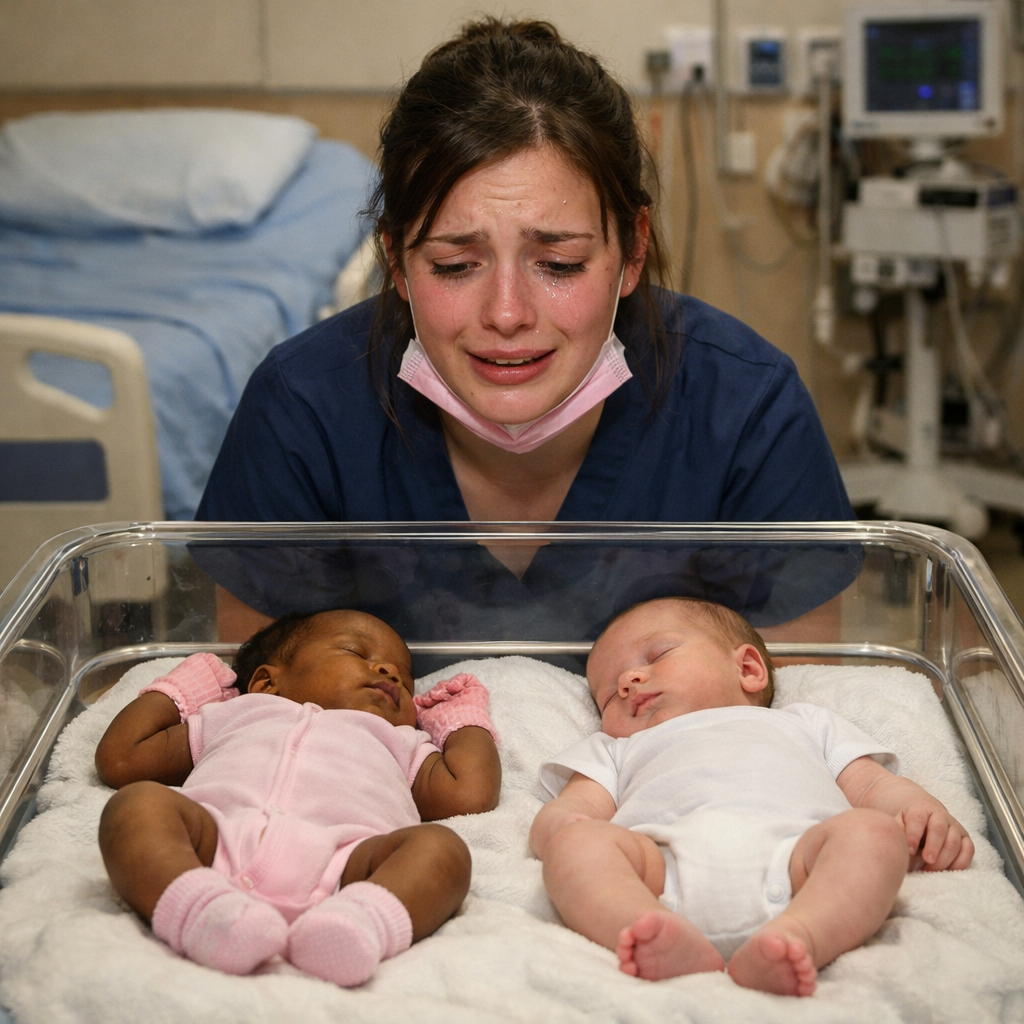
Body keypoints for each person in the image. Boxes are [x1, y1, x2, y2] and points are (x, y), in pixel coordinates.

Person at [193, 17, 855, 646]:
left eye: (558, 264)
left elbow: (799, 715)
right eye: (454, 266)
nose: (507, 314)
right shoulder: (304, 410)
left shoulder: (745, 410)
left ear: (631, 252)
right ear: (396, 260)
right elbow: (261, 712)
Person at [530, 597, 974, 997]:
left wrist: (918, 810)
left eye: (657, 655)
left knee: (874, 834)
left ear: (748, 669)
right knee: (576, 848)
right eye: (608, 694)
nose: (628, 681)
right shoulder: (617, 748)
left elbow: (872, 785)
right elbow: (579, 808)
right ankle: (643, 925)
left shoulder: (804, 723)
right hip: (658, 872)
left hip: (803, 864)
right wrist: (561, 826)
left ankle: (802, 934)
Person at [95, 609, 501, 986]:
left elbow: (470, 793)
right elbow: (121, 758)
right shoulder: (238, 713)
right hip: (212, 840)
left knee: (443, 851)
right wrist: (181, 689)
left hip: (351, 864)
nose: (389, 672)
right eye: (355, 651)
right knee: (137, 806)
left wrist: (460, 721)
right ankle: (198, 907)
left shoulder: (402, 741)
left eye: (406, 680)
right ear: (266, 682)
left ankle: (359, 922)